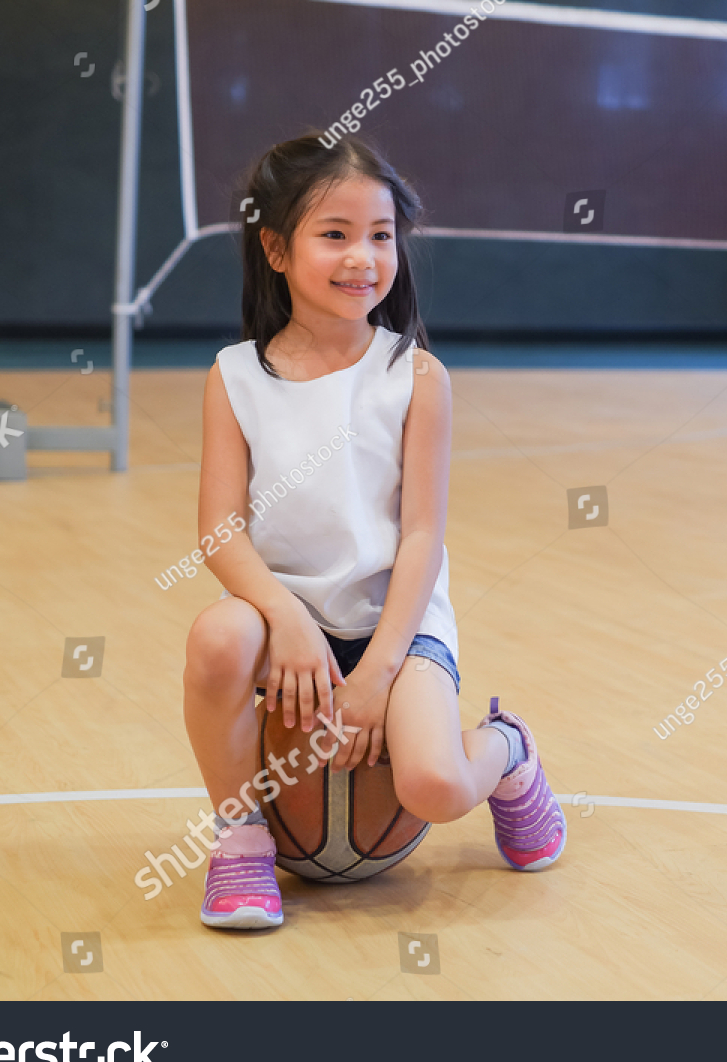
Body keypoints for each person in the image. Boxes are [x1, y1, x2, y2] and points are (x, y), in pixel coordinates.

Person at [181, 133, 566, 929]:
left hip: (399, 625)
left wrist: (379, 670)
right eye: (336, 234)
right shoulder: (235, 374)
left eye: (381, 235)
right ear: (277, 248)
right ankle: (240, 837)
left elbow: (423, 536)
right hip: (290, 623)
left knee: (434, 786)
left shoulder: (416, 375)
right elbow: (220, 532)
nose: (364, 256)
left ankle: (506, 748)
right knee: (217, 637)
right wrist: (284, 617)